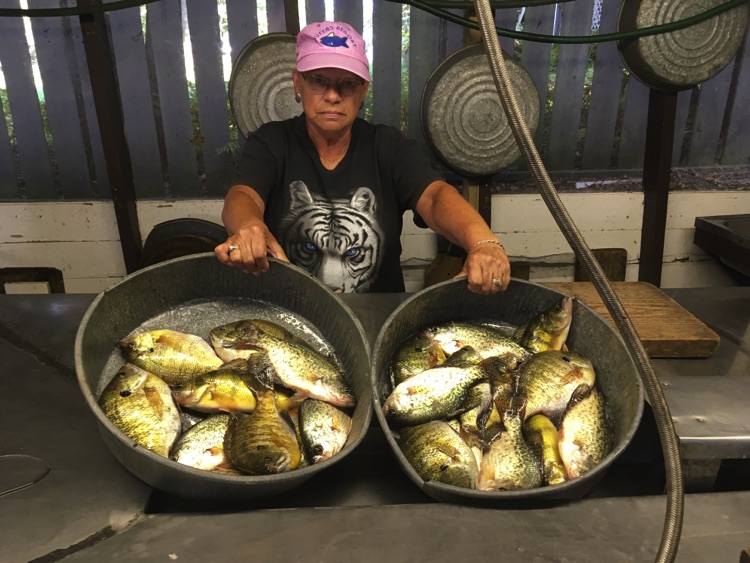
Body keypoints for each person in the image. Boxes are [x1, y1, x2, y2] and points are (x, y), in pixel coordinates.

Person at [215, 20, 510, 294]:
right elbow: (243, 195)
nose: (332, 95)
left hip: (377, 316)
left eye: (347, 83)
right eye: (318, 80)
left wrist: (483, 242)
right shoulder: (271, 142)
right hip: (293, 313)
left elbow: (434, 196)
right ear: (297, 82)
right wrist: (247, 226)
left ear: (363, 89)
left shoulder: (389, 146)